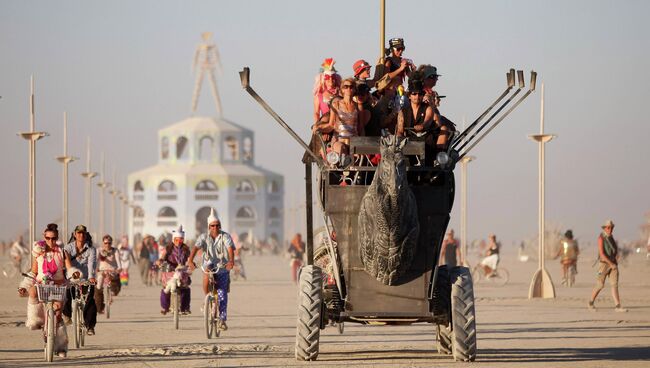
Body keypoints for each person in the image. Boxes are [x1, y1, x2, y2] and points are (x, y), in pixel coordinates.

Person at [17, 224, 74, 357]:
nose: (51, 241)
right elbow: (33, 272)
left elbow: (69, 269)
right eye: (48, 238)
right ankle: (35, 319)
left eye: (53, 238)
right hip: (42, 286)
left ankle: (61, 347)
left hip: (58, 287)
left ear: (57, 238)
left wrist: (75, 275)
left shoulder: (62, 252)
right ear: (44, 237)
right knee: (32, 291)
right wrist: (23, 286)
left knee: (58, 313)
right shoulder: (39, 253)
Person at [188, 208, 235, 330]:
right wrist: (190, 260)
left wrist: (231, 261)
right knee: (206, 274)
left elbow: (230, 248)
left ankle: (222, 320)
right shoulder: (203, 237)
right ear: (209, 226)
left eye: (217, 225)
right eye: (213, 226)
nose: (215, 228)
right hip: (208, 265)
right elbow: (195, 248)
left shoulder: (225, 236)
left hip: (222, 267)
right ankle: (207, 297)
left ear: (220, 226)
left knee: (222, 295)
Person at [62, 224, 98, 336]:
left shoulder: (91, 249)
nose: (81, 235)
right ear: (74, 234)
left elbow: (91, 264)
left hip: (86, 278)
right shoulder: (67, 248)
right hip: (71, 278)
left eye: (83, 233)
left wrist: (91, 277)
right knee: (66, 294)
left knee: (90, 300)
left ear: (86, 235)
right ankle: (67, 314)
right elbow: (65, 262)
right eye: (78, 233)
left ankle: (90, 326)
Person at [589, 220, 627, 312]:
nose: (610, 229)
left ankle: (618, 306)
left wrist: (616, 257)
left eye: (612, 227)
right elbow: (602, 254)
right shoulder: (601, 238)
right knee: (600, 285)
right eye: (608, 227)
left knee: (614, 285)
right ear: (604, 228)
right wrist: (611, 264)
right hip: (604, 265)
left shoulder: (611, 237)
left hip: (613, 264)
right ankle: (590, 303)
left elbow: (615, 249)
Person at [158, 225, 192, 315]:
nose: (179, 242)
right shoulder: (168, 249)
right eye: (177, 240)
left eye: (181, 240)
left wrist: (191, 264)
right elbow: (162, 258)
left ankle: (185, 308)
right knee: (166, 288)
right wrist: (160, 261)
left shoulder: (186, 249)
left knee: (185, 288)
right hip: (169, 270)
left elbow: (189, 260)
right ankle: (165, 307)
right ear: (173, 240)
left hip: (182, 271)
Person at [94, 235, 122, 314]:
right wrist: (95, 268)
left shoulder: (115, 251)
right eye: (106, 243)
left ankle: (112, 294)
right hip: (101, 270)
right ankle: (100, 307)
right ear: (103, 243)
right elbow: (96, 260)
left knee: (115, 282)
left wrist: (119, 268)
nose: (107, 245)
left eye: (109, 243)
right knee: (99, 285)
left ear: (111, 243)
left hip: (112, 270)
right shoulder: (99, 250)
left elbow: (118, 260)